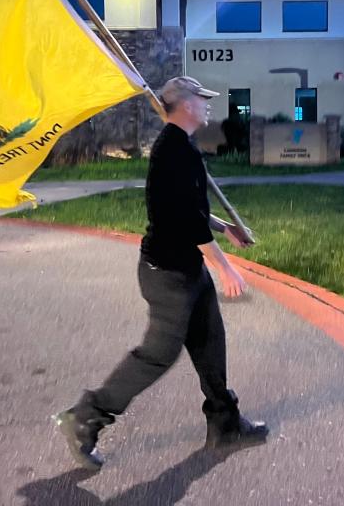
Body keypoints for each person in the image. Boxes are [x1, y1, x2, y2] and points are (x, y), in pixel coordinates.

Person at [55, 76, 268, 470]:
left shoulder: (181, 147)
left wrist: (227, 230)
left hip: (185, 269)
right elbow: (189, 223)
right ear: (185, 105)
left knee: (209, 342)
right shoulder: (174, 152)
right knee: (157, 355)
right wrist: (226, 267)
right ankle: (85, 418)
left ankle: (225, 423)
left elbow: (192, 209)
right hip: (168, 274)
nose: (206, 106)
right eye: (201, 100)